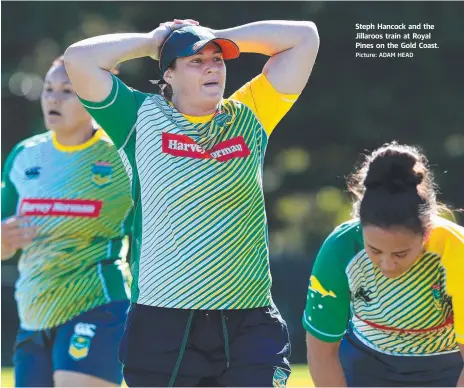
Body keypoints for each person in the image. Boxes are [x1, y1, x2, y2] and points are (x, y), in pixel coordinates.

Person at [63, 17, 319, 387]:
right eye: (195, 61)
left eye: (217, 59)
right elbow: (79, 60)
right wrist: (155, 41)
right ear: (168, 75)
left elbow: (304, 37)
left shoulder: (250, 113)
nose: (212, 66)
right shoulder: (139, 116)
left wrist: (216, 37)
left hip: (248, 321)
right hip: (163, 322)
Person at [1, 56, 133, 387]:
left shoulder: (122, 154)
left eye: (67, 91)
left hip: (98, 304)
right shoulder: (25, 154)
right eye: (48, 89)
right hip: (35, 313)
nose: (53, 98)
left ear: (93, 97)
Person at [303, 141, 464, 387]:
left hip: (448, 368)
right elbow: (322, 353)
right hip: (365, 366)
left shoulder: (456, 250)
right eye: (375, 250)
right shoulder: (340, 248)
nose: (387, 265)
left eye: (401, 253)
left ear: (427, 234)